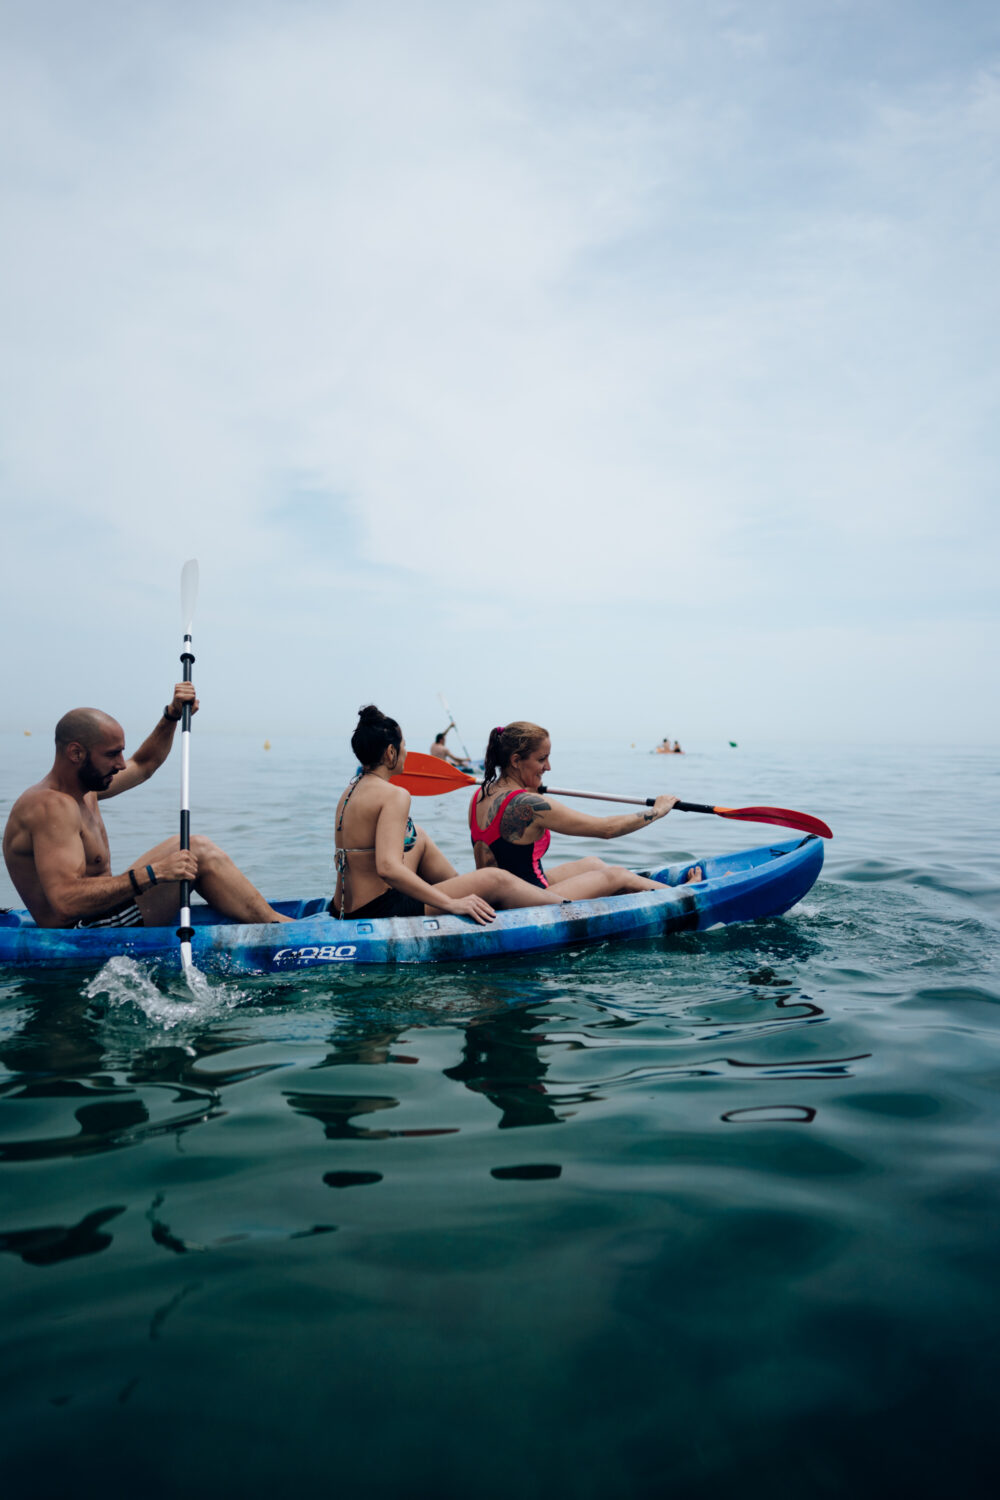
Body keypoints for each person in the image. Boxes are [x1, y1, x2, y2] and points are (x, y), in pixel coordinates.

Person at [3, 684, 291, 929]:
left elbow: (143, 764)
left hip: (102, 914)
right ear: (76, 753)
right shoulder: (50, 806)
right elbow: (65, 901)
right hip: (80, 931)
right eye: (112, 754)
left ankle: (271, 921)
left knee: (187, 847)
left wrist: (172, 715)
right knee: (197, 850)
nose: (120, 763)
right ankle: (281, 931)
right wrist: (155, 873)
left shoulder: (84, 790)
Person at [333, 706, 576, 924]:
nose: (407, 752)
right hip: (379, 909)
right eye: (404, 746)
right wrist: (451, 903)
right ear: (390, 753)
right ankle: (568, 908)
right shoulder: (395, 795)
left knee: (418, 837)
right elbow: (388, 868)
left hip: (344, 906)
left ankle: (465, 891)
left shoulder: (351, 789)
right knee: (494, 878)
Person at [470, 722, 702, 898]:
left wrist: (531, 786)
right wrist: (658, 811)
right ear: (516, 760)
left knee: (593, 864)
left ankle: (641, 893)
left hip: (503, 894)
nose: (548, 767)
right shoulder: (529, 804)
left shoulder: (480, 794)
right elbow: (606, 829)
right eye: (542, 759)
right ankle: (682, 895)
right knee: (617, 875)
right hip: (529, 899)